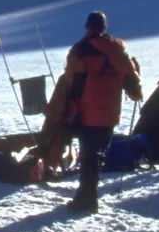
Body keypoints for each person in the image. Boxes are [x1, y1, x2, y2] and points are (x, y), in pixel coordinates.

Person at [59, 11, 142, 213]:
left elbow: (74, 83)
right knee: (97, 154)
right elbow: (131, 78)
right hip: (110, 112)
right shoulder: (117, 50)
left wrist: (68, 110)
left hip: (87, 112)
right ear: (104, 27)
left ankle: (87, 199)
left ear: (87, 27)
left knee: (88, 155)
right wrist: (135, 93)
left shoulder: (80, 50)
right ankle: (89, 195)